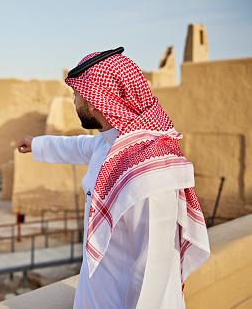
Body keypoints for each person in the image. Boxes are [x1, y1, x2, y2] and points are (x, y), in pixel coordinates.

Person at [17, 47, 210, 308]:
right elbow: (78, 147)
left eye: (77, 95)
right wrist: (36, 144)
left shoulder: (149, 173)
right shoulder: (109, 143)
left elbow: (152, 273)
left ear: (97, 100)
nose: (74, 103)